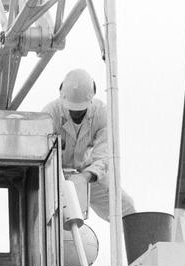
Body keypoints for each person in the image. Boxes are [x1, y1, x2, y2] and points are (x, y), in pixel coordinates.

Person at [42, 68, 136, 223]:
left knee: (126, 208)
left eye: (80, 110)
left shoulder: (102, 113)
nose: (75, 114)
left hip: (88, 173)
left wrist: (85, 177)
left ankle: (140, 245)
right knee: (51, 221)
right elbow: (43, 156)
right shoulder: (49, 114)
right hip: (55, 178)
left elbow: (105, 154)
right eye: (71, 110)